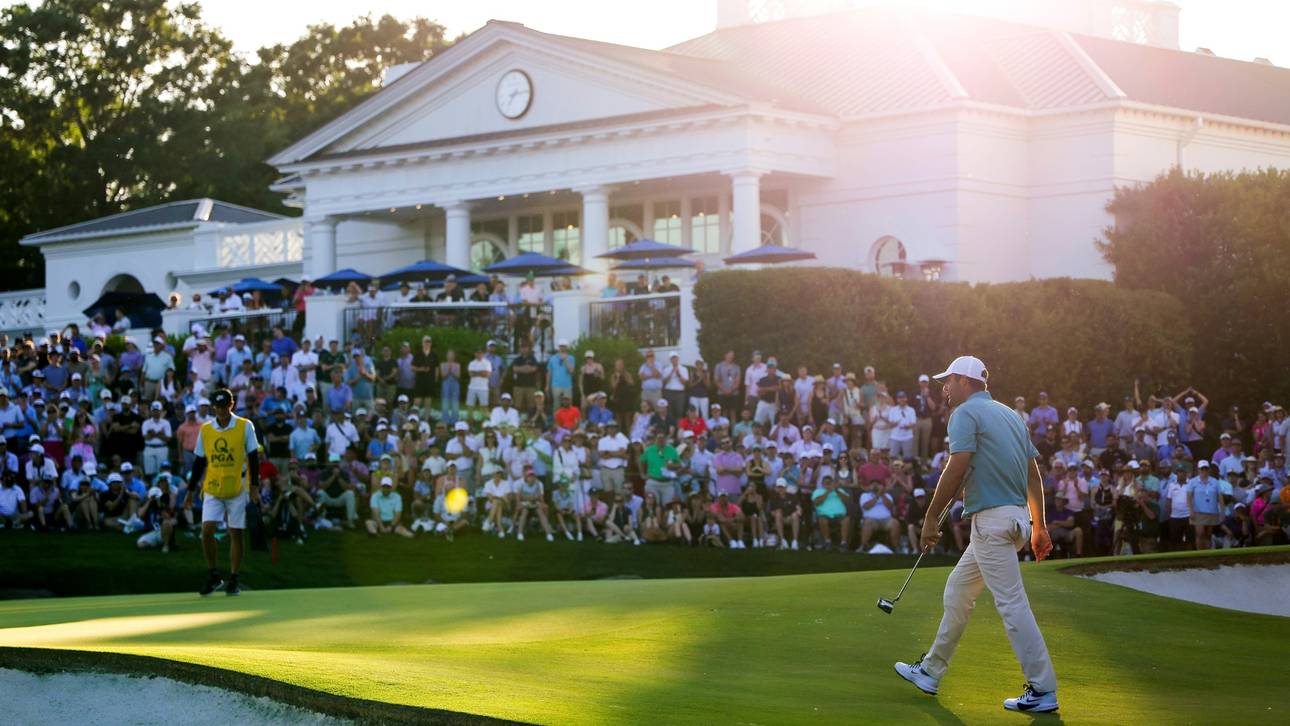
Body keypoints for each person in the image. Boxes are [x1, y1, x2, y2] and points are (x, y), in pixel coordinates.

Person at [895, 355, 1059, 714]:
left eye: (948, 381)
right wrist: (1040, 525)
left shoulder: (964, 414)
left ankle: (1043, 689)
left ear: (966, 382)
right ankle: (931, 671)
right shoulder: (1011, 415)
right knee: (958, 589)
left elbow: (958, 466)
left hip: (991, 523)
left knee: (1012, 603)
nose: (944, 389)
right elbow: (1033, 474)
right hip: (1014, 522)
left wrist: (929, 517)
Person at [183, 388, 260, 597]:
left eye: (224, 407)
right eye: (217, 408)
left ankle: (234, 578)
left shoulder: (245, 426)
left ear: (231, 405)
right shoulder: (206, 429)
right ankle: (214, 575)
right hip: (213, 487)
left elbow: (253, 457)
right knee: (206, 530)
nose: (221, 411)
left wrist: (255, 487)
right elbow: (199, 462)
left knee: (236, 532)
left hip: (237, 486)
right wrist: (190, 491)